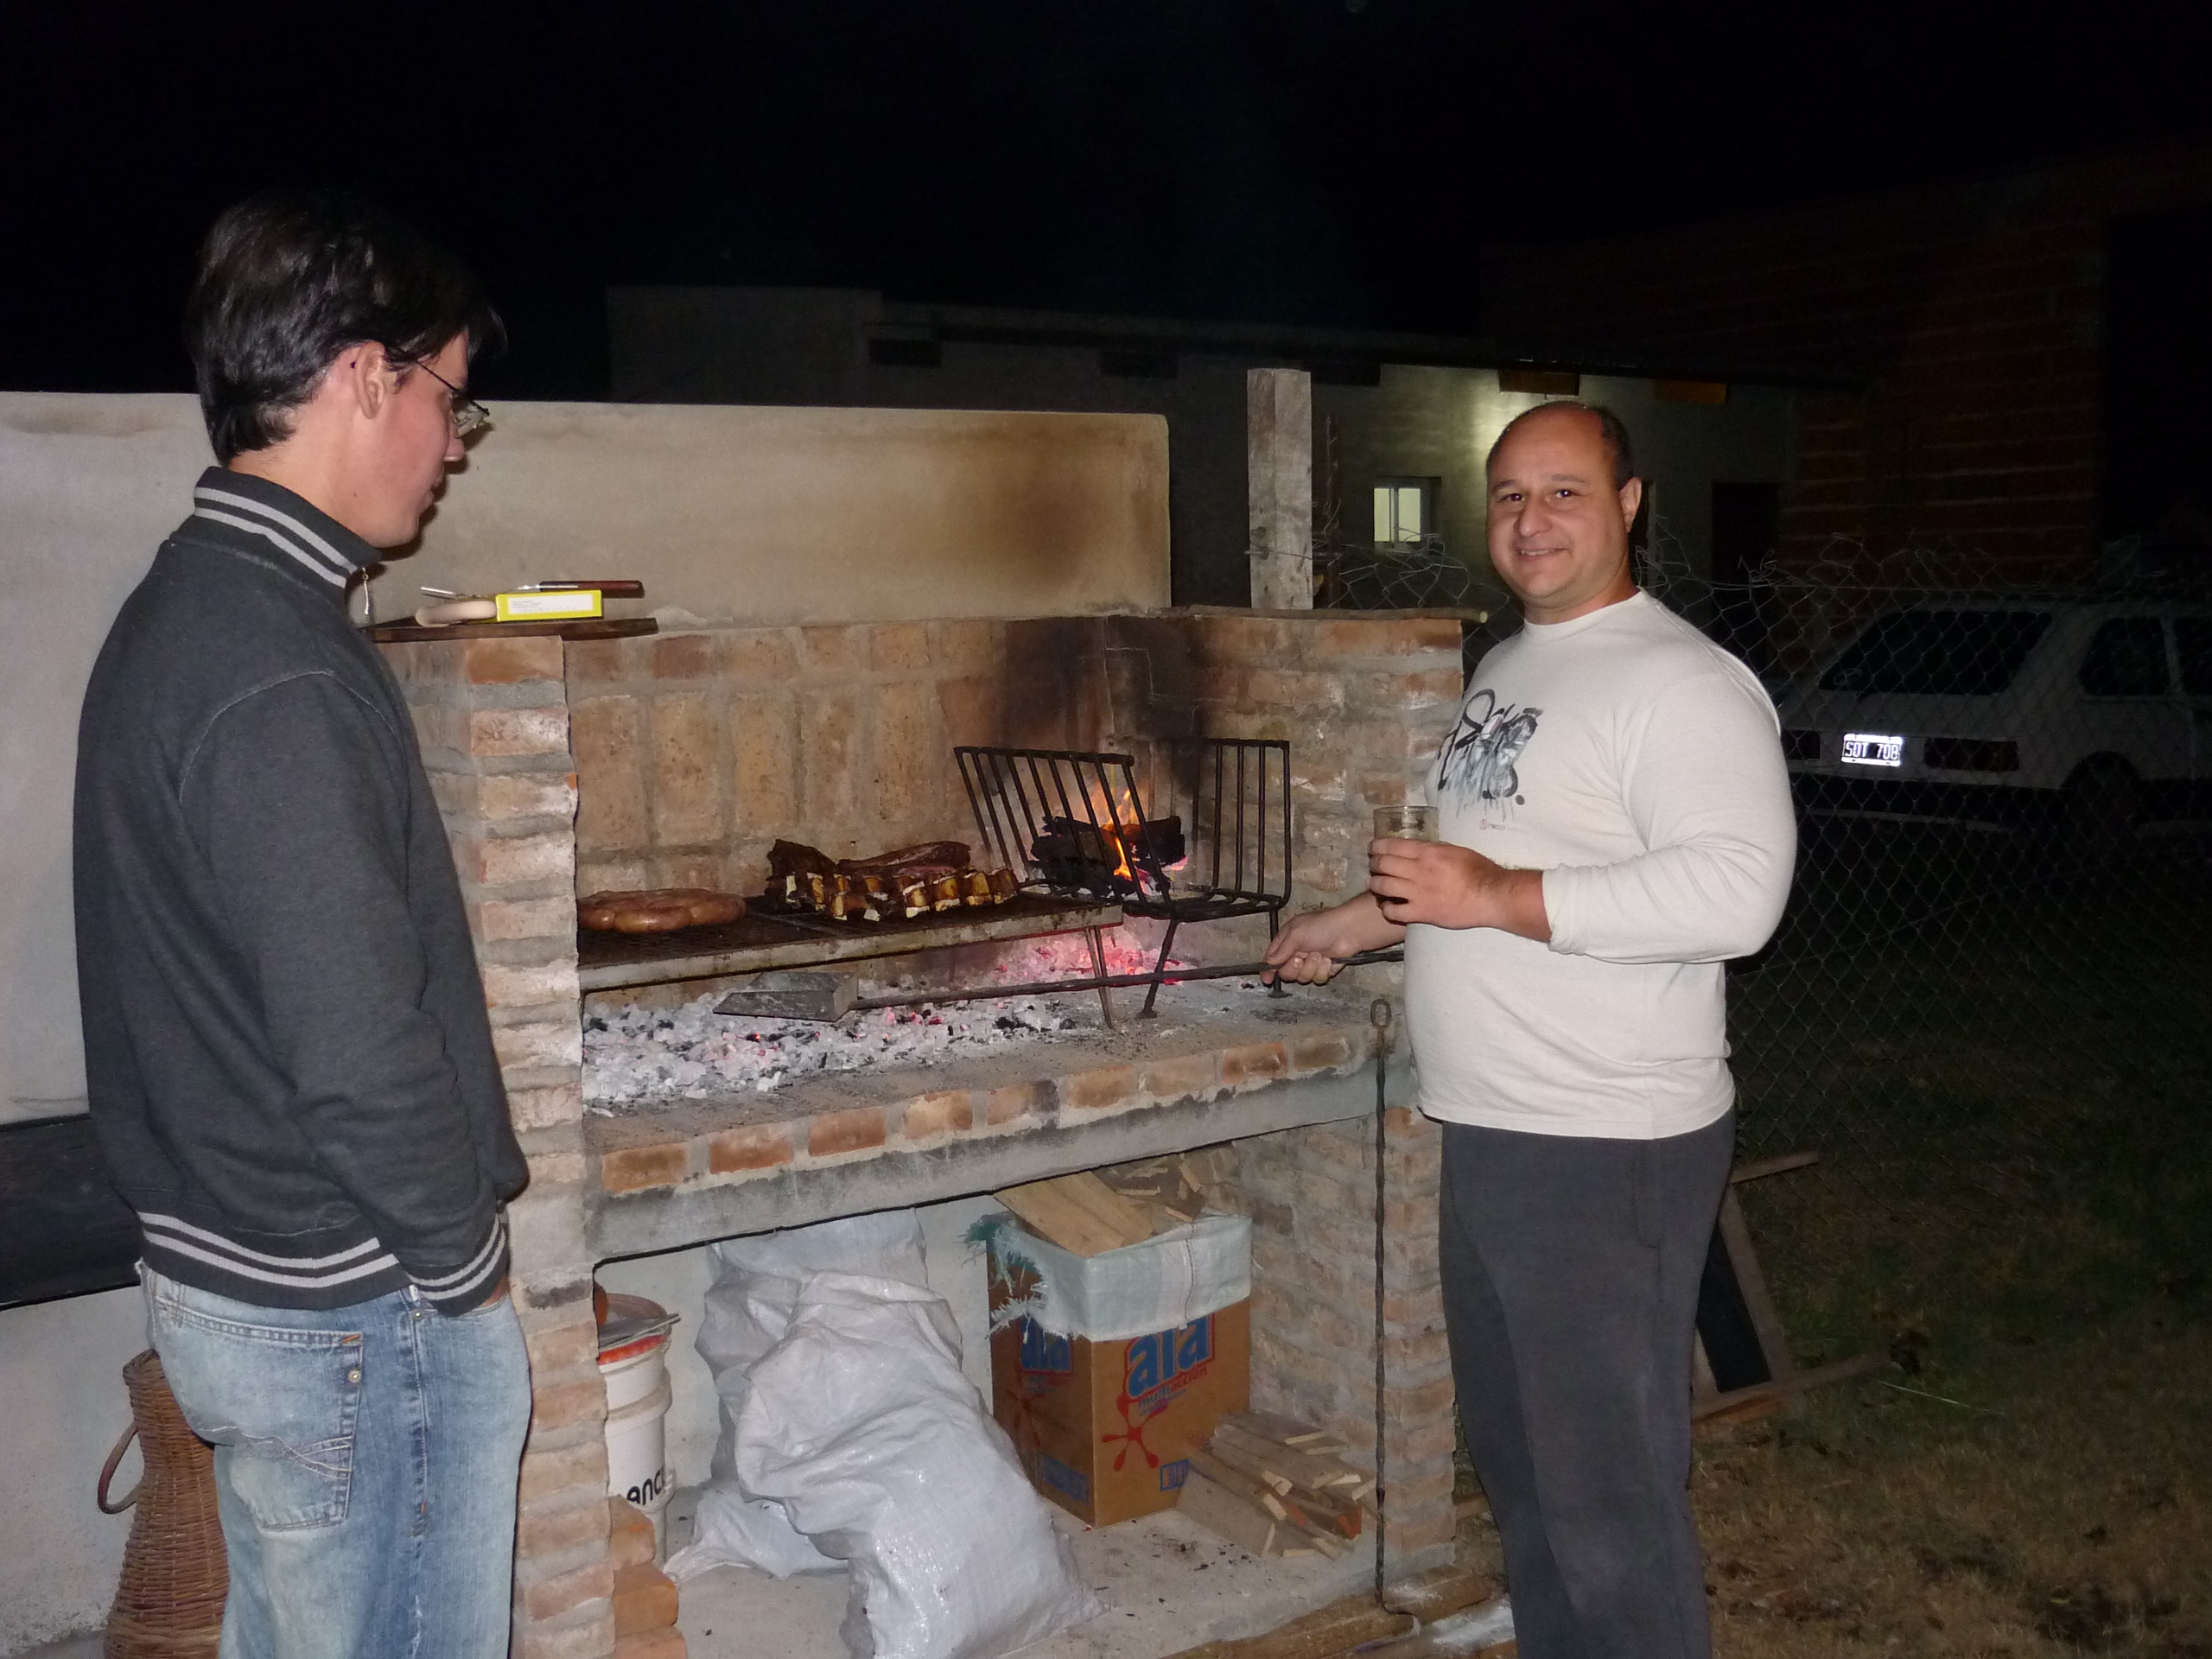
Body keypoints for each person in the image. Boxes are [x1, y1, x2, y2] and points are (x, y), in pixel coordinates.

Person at [74, 192, 531, 1659]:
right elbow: (354, 1039)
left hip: (253, 1281)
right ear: (364, 374)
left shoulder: (193, 606)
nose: (457, 442)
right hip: (353, 1307)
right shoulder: (277, 672)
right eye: (452, 397)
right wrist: (462, 1274)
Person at [1265, 402, 1796, 1659]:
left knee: (1607, 1490)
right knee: (1523, 1462)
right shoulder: (1508, 667)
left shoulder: (1681, 682)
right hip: (1497, 1127)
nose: (1532, 518)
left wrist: (1490, 894)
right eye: (1509, 495)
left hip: (1606, 1144)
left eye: (1564, 491)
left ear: (1629, 505)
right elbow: (1497, 870)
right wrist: (1362, 921)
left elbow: (1740, 893)